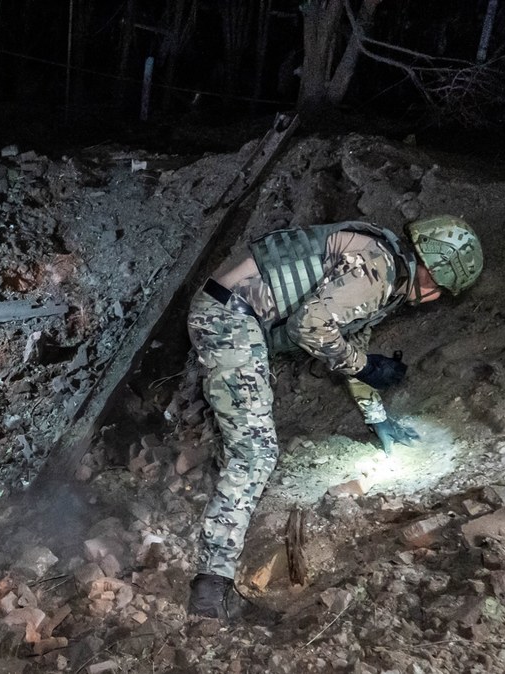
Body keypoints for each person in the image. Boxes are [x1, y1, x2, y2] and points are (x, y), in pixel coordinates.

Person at [185, 215, 483, 621]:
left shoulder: (382, 269)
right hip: (229, 316)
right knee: (254, 453)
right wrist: (363, 366)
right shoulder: (376, 269)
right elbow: (311, 327)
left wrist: (377, 416)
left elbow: (349, 347)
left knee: (251, 448)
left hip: (237, 314)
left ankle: (214, 582)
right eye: (437, 288)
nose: (432, 298)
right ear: (430, 266)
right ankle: (209, 592)